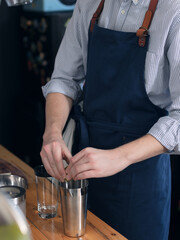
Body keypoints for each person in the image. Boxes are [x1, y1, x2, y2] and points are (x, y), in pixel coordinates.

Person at [40, 0, 180, 239]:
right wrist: (52, 133)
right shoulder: (89, 3)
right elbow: (64, 79)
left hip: (141, 180)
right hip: (80, 169)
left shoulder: (174, 9)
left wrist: (118, 157)